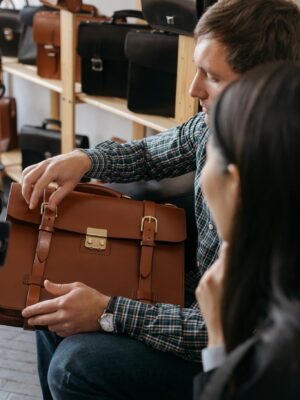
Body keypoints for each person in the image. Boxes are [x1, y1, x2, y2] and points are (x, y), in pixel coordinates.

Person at [21, 1, 300, 399]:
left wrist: (108, 311)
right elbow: (154, 153)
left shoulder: (281, 194)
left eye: (212, 76)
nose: (193, 88)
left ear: (261, 86)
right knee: (58, 309)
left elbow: (227, 336)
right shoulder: (213, 127)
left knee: (75, 366)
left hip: (235, 360)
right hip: (197, 306)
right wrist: (84, 159)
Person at [194, 62, 300, 400]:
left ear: (237, 185)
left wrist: (219, 340)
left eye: (212, 75)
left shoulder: (282, 357)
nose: (194, 89)